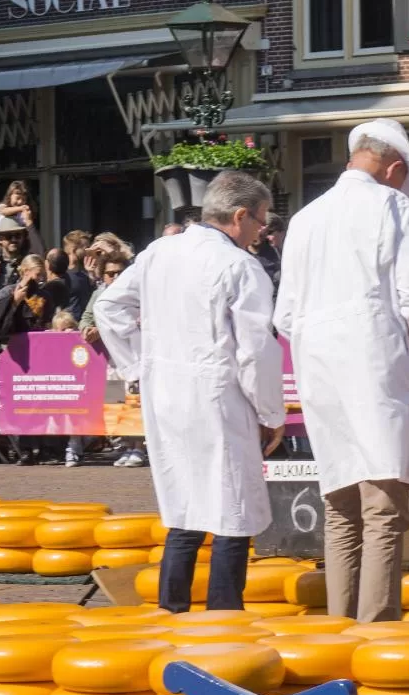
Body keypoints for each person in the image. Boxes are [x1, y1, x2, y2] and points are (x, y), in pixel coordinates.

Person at [275, 118, 409, 622]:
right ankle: (376, 633)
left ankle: (338, 626)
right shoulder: (391, 205)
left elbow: (284, 313)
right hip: (372, 356)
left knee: (342, 505)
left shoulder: (306, 217)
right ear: (394, 169)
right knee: (384, 507)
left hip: (318, 362)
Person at [96, 171, 283, 612]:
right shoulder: (239, 265)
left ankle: (172, 609)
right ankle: (224, 616)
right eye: (260, 221)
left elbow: (108, 305)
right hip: (220, 394)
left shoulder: (160, 251)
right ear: (240, 216)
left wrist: (138, 365)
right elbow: (255, 350)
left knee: (184, 504)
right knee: (232, 509)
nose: (261, 231)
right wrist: (270, 413)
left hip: (168, 393)